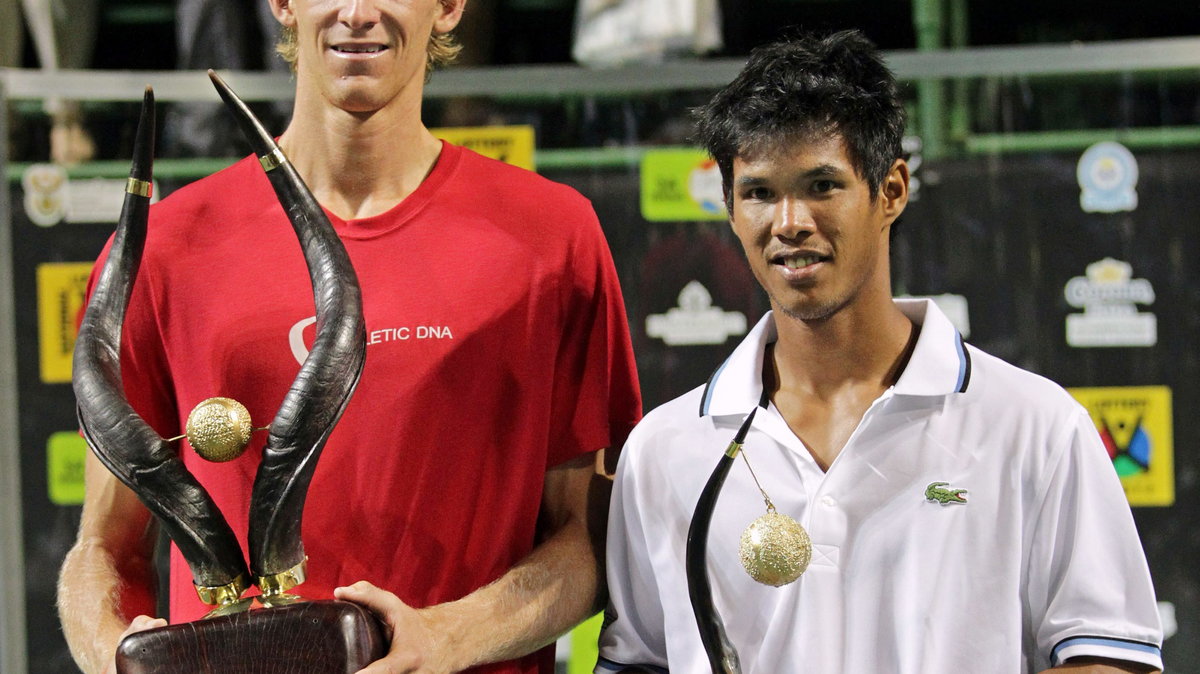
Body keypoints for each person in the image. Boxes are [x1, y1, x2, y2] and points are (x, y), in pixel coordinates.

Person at [56, 0, 642, 672]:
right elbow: (104, 546)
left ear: (449, 7)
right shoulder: (164, 248)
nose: (357, 13)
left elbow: (586, 539)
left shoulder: (553, 236)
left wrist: (445, 638)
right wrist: (112, 655)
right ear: (281, 4)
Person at [596, 29, 1163, 674]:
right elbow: (637, 659)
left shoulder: (1034, 425)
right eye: (758, 192)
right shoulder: (664, 448)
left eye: (821, 186)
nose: (788, 222)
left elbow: (1109, 655)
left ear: (891, 190)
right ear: (728, 206)